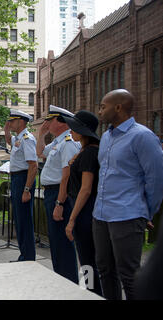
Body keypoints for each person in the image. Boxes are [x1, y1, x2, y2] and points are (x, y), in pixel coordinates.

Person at [92, 89, 163, 300]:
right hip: (101, 215)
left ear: (119, 107)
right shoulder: (105, 137)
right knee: (104, 269)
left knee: (129, 275)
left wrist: (145, 213)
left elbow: (156, 179)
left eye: (103, 107)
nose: (100, 111)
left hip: (127, 215)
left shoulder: (142, 137)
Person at [36, 105, 80, 284]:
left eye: (50, 119)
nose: (46, 123)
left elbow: (66, 176)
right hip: (51, 194)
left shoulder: (68, 142)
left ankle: (68, 282)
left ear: (62, 123)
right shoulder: (57, 141)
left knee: (62, 242)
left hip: (58, 195)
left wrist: (60, 204)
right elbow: (40, 152)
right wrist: (41, 135)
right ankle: (60, 278)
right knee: (55, 241)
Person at [61, 110, 103, 296]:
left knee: (87, 259)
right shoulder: (86, 151)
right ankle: (90, 291)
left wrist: (71, 220)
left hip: (84, 210)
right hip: (84, 208)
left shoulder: (88, 153)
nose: (70, 130)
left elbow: (85, 189)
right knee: (87, 259)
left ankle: (92, 293)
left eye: (74, 127)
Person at [4, 109, 38, 261]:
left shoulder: (27, 138)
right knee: (18, 218)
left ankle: (28, 256)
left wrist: (26, 189)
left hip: (24, 179)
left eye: (12, 120)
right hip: (17, 179)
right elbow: (8, 140)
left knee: (24, 219)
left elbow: (33, 165)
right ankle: (24, 253)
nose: (9, 122)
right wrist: (6, 129)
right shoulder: (18, 138)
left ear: (21, 122)